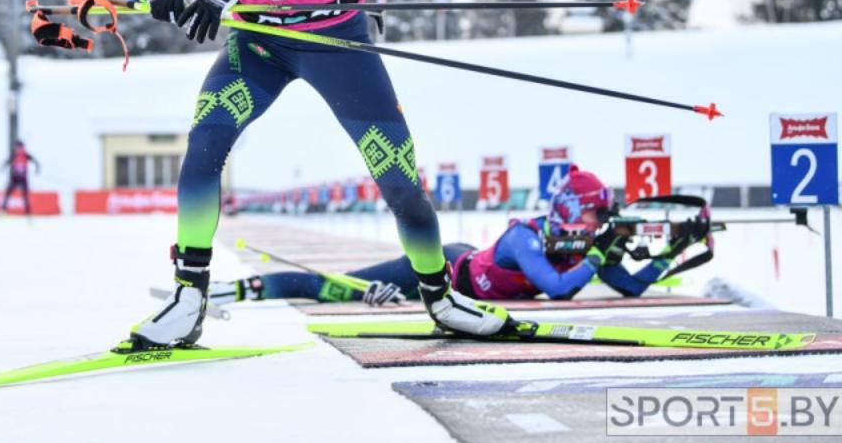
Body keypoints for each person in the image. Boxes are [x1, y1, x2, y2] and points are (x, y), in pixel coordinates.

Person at [110, 0, 507, 350]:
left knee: (399, 182)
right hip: (262, 43)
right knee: (202, 148)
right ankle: (188, 298)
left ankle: (442, 300)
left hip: (336, 41)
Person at [207, 166, 706, 306]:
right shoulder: (525, 239)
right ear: (575, 213)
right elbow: (559, 290)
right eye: (598, 216)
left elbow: (634, 287)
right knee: (337, 287)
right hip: (448, 268)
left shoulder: (582, 247)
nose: (602, 224)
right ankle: (243, 288)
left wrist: (676, 251)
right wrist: (599, 255)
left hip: (468, 278)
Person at [1, 141, 39, 215]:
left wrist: (37, 169)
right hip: (16, 178)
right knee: (9, 193)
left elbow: (36, 162)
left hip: (21, 178)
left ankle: (27, 211)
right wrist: (3, 167)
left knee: (24, 195)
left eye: (20, 147)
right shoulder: (17, 155)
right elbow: (7, 161)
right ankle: (4, 209)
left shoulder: (25, 155)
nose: (19, 149)